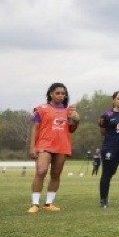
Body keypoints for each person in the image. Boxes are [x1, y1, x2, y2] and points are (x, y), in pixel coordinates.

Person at [28, 82, 80, 213]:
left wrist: (76, 120)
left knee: (56, 174)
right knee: (41, 171)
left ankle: (48, 203)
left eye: (63, 93)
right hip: (44, 144)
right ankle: (35, 204)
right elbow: (35, 128)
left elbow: (72, 129)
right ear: (51, 94)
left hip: (62, 145)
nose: (61, 96)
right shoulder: (41, 109)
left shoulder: (68, 110)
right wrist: (32, 147)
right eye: (58, 93)